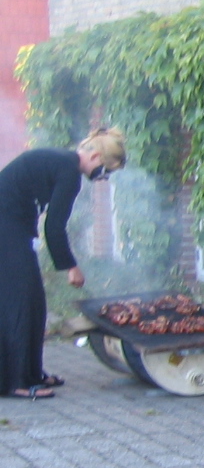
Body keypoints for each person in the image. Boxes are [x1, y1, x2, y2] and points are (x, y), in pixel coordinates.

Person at [0, 128, 126, 399]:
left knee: (34, 303)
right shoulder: (69, 172)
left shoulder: (62, 162)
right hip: (6, 228)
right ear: (95, 156)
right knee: (19, 304)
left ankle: (32, 374)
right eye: (105, 170)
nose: (102, 177)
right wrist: (71, 266)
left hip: (13, 227)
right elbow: (54, 227)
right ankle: (15, 382)